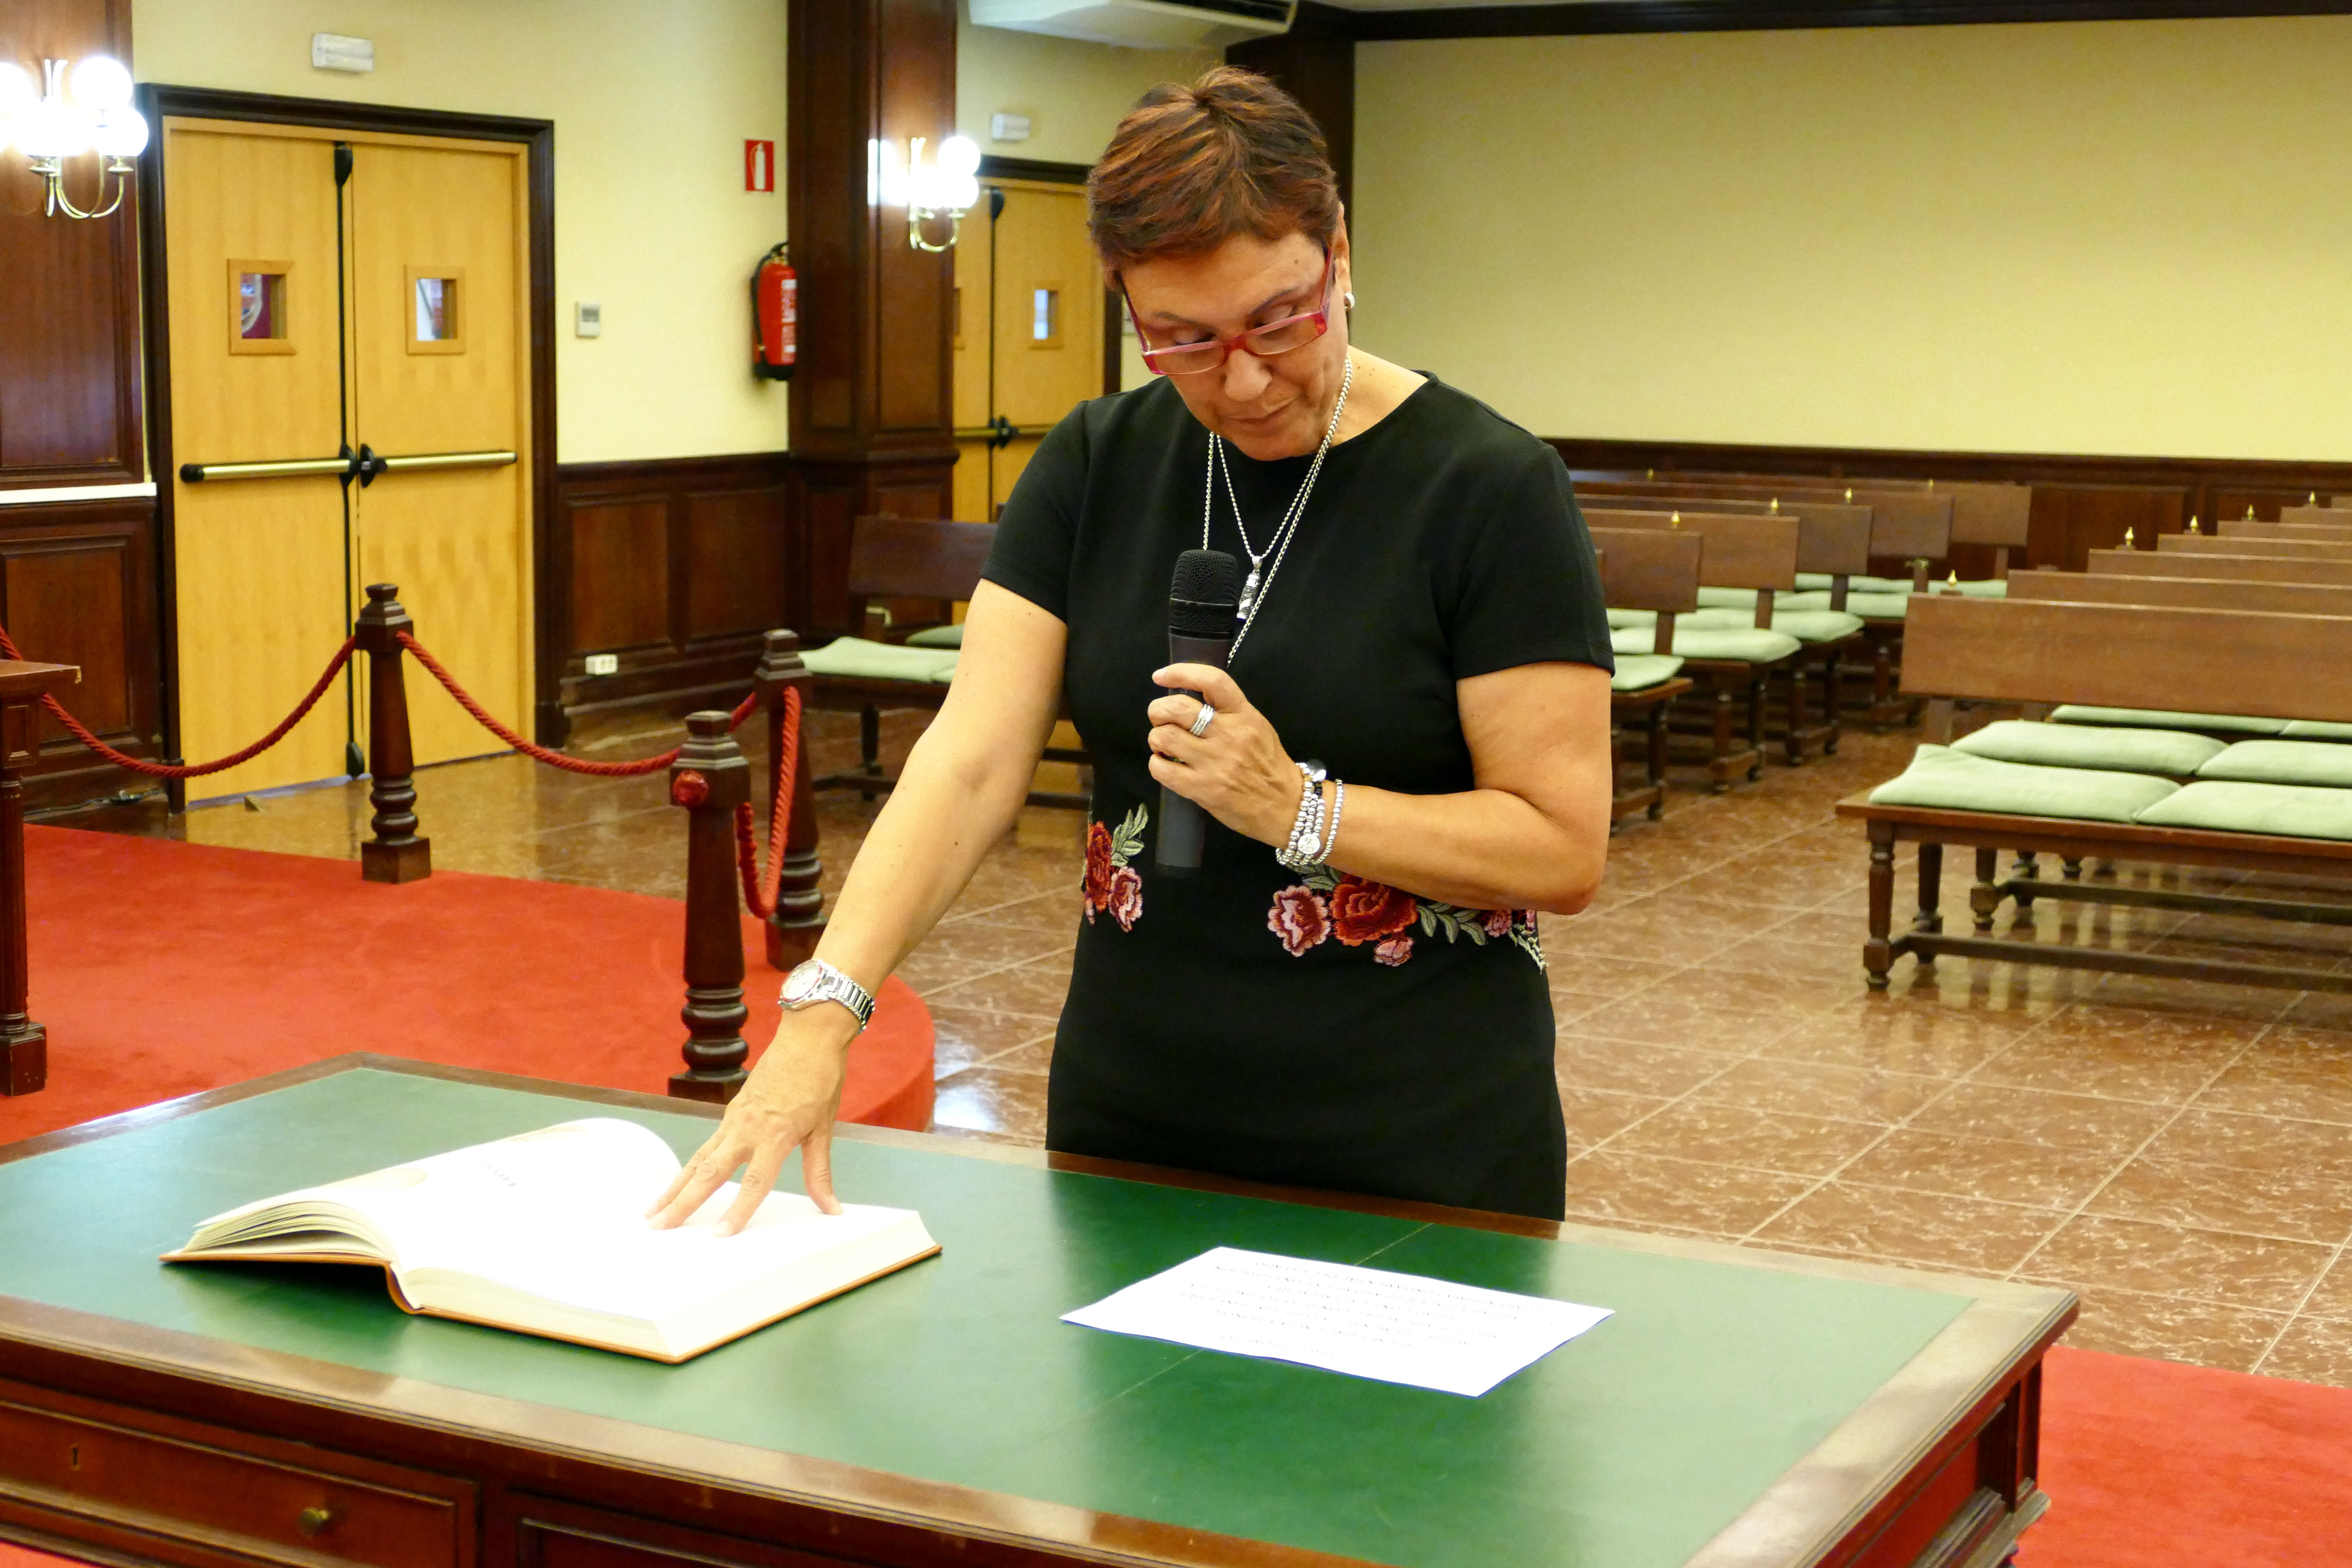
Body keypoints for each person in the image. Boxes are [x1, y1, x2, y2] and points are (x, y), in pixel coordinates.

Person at [651, 66, 1614, 1232]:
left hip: (1413, 1116)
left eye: (1279, 320)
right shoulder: (1095, 464)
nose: (1243, 380)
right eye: (1183, 341)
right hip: (1137, 1097)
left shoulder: (1488, 489)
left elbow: (1562, 845)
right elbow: (970, 762)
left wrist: (1301, 809)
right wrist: (825, 1011)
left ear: (1339, 253)